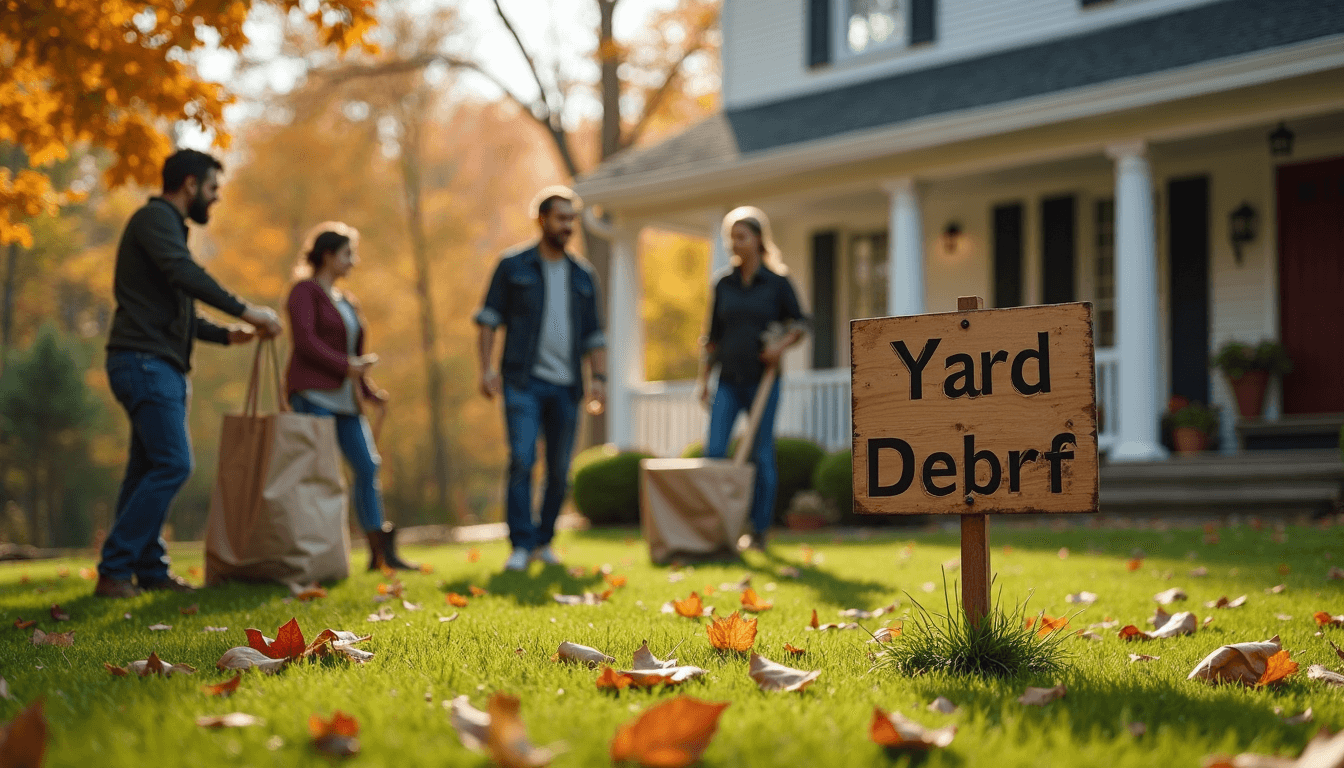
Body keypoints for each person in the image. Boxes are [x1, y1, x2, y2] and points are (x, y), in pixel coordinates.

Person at [98, 148, 283, 598]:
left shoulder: (165, 230)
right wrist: (248, 309)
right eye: (213, 189)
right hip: (145, 362)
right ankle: (116, 568)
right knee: (174, 464)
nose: (215, 199)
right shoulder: (155, 220)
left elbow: (177, 309)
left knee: (145, 469)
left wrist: (227, 334)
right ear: (190, 185)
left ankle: (149, 570)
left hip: (151, 360)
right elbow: (184, 275)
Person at [475, 186, 607, 572]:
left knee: (559, 470)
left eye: (572, 219)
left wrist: (598, 377)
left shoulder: (583, 275)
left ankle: (544, 540)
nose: (568, 226)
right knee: (521, 458)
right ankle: (520, 543)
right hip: (522, 380)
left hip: (568, 386)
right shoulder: (512, 265)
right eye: (561, 218)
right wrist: (485, 368)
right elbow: (487, 321)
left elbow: (595, 335)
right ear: (542, 220)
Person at [285, 222, 417, 572]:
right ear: (327, 255)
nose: (353, 261)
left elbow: (351, 352)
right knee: (322, 475)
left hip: (347, 400)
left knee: (367, 465)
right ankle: (316, 554)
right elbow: (305, 342)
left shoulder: (348, 301)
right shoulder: (304, 292)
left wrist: (370, 391)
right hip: (313, 396)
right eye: (348, 254)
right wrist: (347, 366)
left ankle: (379, 553)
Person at [694, 206, 809, 551]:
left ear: (758, 240)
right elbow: (711, 336)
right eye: (732, 237)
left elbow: (801, 323)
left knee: (761, 455)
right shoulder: (723, 283)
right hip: (727, 380)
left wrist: (781, 346)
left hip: (764, 383)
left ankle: (758, 531)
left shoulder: (777, 284)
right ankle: (716, 527)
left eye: (741, 237)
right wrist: (703, 380)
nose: (735, 244)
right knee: (715, 451)